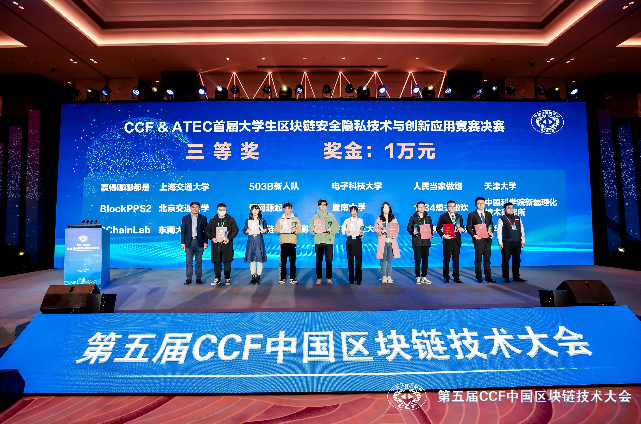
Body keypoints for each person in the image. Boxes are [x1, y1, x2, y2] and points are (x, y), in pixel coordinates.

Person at [205, 203, 239, 286]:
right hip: (216, 245)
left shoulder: (230, 220)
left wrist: (229, 238)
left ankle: (227, 278)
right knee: (217, 262)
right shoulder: (213, 220)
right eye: (220, 210)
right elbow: (207, 231)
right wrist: (212, 238)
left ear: (226, 210)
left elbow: (235, 230)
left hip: (227, 244)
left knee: (227, 261)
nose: (222, 211)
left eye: (223, 210)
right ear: (217, 210)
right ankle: (217, 278)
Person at [466, 197, 496, 283]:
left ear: (485, 204)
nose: (480, 204)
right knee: (478, 259)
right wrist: (474, 235)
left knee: (487, 259)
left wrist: (491, 232)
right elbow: (468, 228)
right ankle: (479, 277)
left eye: (482, 203)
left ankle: (488, 277)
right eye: (478, 203)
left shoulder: (488, 214)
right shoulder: (472, 214)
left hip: (487, 239)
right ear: (476, 204)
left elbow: (490, 225)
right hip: (478, 239)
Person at [310, 199, 339, 284]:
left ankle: (328, 278)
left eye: (324, 205)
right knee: (318, 260)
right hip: (318, 241)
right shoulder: (315, 217)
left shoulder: (331, 216)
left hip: (329, 241)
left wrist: (331, 230)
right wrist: (313, 230)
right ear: (318, 206)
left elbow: (337, 227)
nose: (323, 207)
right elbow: (310, 228)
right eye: (321, 205)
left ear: (326, 206)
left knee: (329, 260)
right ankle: (319, 278)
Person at [497, 202, 527, 283]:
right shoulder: (502, 218)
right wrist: (500, 242)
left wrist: (523, 241)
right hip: (506, 242)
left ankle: (516, 276)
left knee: (517, 260)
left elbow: (522, 230)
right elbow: (499, 232)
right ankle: (505, 277)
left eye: (512, 208)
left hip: (517, 242)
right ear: (505, 209)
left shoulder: (518, 218)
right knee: (505, 260)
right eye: (509, 208)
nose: (511, 209)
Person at [436, 200, 466, 283]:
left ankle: (456, 277)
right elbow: (438, 228)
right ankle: (446, 276)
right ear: (447, 207)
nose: (452, 208)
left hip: (457, 241)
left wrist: (462, 229)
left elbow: (462, 227)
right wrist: (443, 235)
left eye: (453, 206)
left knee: (456, 260)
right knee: (447, 259)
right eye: (450, 206)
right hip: (448, 240)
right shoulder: (443, 216)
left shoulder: (459, 216)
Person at [180, 201, 208, 285]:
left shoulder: (203, 218)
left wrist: (205, 242)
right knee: (189, 262)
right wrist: (182, 243)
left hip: (199, 242)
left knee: (199, 262)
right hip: (189, 242)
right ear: (190, 208)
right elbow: (183, 231)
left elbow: (206, 231)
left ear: (199, 208)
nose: (194, 209)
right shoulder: (185, 218)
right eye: (193, 207)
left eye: (196, 207)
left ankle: (198, 278)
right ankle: (188, 278)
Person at [407, 201, 434, 284]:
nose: (421, 208)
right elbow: (409, 228)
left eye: (423, 206)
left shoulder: (428, 218)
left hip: (426, 242)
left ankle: (424, 277)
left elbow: (431, 229)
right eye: (420, 207)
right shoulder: (413, 218)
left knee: (425, 260)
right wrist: (413, 232)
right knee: (417, 260)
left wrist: (431, 235)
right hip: (417, 242)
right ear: (417, 208)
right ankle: (418, 277)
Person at [275, 202, 302, 284]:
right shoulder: (280, 220)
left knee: (292, 261)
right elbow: (276, 231)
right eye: (286, 209)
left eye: (289, 209)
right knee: (283, 261)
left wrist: (295, 230)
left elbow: (300, 230)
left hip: (292, 242)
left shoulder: (296, 219)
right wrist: (279, 229)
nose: (287, 210)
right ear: (284, 209)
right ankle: (282, 278)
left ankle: (293, 278)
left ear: (291, 209)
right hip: (283, 242)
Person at [374, 202, 400, 284]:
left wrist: (394, 234)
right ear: (382, 209)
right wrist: (381, 231)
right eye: (384, 208)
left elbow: (397, 229)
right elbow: (375, 229)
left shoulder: (393, 219)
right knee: (383, 260)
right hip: (383, 242)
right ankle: (384, 277)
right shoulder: (379, 219)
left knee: (389, 260)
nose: (386, 209)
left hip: (391, 242)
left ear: (389, 209)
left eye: (387, 207)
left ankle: (389, 276)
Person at [242, 205, 268, 285]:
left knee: (259, 260)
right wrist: (247, 231)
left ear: (259, 211)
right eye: (253, 209)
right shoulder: (248, 221)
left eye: (256, 209)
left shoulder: (262, 220)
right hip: (251, 241)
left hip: (259, 241)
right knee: (252, 260)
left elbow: (266, 230)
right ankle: (253, 277)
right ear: (251, 211)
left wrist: (264, 230)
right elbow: (244, 231)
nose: (255, 211)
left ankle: (258, 277)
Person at [341, 205, 365, 285]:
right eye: (352, 211)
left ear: (357, 212)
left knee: (358, 260)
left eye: (355, 211)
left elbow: (362, 229)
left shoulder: (360, 220)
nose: (354, 212)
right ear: (350, 212)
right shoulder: (347, 220)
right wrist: (345, 232)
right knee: (350, 260)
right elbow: (342, 230)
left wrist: (362, 233)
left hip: (357, 240)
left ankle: (358, 279)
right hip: (350, 240)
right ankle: (351, 279)